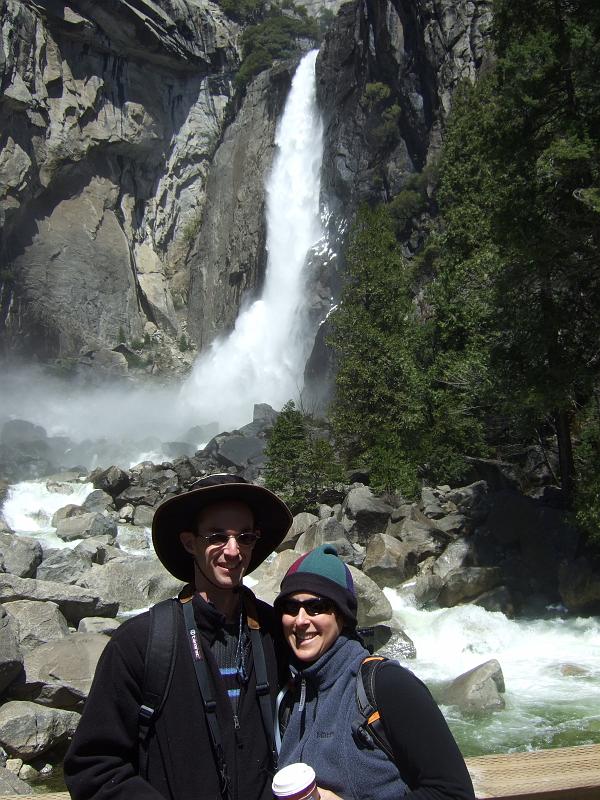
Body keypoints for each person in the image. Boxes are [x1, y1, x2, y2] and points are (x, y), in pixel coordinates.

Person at [64, 473, 293, 800]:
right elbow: (93, 766)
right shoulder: (142, 643)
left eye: (245, 537)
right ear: (190, 543)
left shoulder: (276, 631)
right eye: (217, 536)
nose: (233, 551)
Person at [273, 544, 475, 800]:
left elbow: (454, 793)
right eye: (290, 607)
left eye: (316, 606)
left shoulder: (387, 685)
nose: (300, 620)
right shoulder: (290, 693)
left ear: (343, 616)